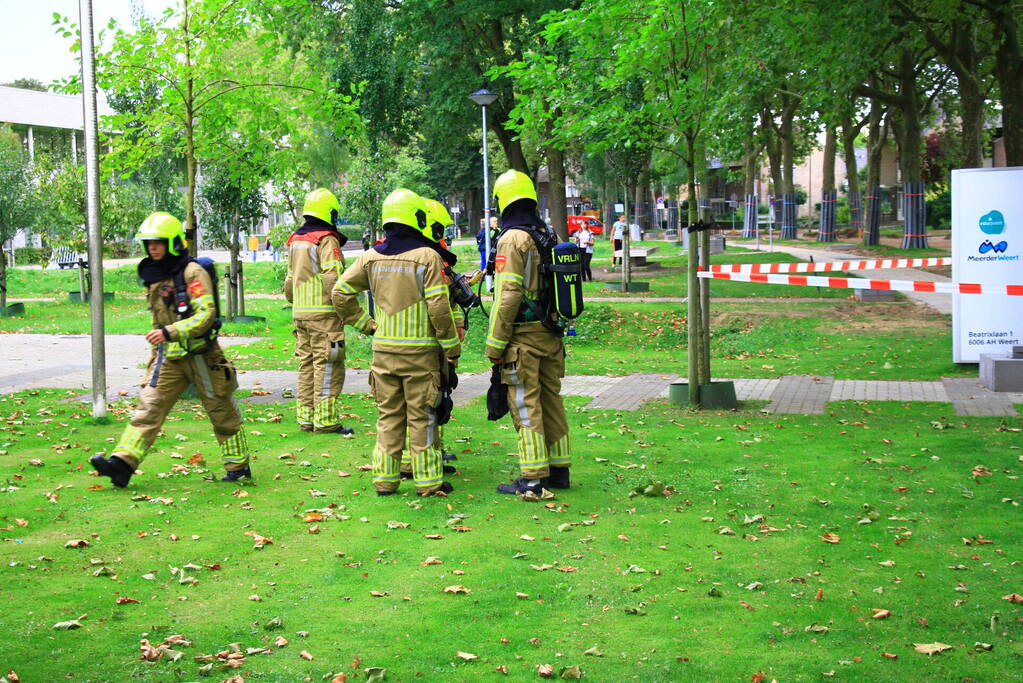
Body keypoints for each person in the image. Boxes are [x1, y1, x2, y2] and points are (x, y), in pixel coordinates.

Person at [90, 212, 250, 487]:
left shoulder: (192, 273)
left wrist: (169, 332)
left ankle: (238, 467)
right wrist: (160, 344)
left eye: (158, 242)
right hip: (170, 359)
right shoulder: (156, 276)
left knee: (220, 410)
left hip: (202, 356)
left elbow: (205, 315)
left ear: (173, 243)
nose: (152, 247)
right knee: (148, 407)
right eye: (149, 242)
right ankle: (122, 464)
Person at [332, 189, 461, 497]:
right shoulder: (428, 257)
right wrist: (450, 346)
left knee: (389, 417)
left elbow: (339, 293)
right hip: (420, 355)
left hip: (383, 354)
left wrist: (366, 324)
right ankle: (429, 482)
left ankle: (385, 482)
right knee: (422, 416)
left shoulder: (370, 257)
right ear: (417, 218)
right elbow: (439, 308)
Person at [485, 169, 572, 495]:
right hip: (550, 335)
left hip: (522, 338)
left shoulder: (512, 238)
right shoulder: (543, 232)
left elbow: (508, 296)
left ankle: (533, 478)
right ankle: (559, 471)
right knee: (551, 400)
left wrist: (495, 344)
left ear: (503, 200)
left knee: (525, 403)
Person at [397, 197, 466, 481]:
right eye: (439, 229)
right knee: (419, 404)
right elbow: (436, 304)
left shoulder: (431, 255)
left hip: (431, 339)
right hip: (424, 341)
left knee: (437, 396)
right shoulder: (424, 257)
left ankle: (433, 454)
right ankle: (411, 463)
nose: (444, 236)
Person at [284, 188, 353, 435]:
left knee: (307, 364)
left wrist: (297, 304)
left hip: (300, 314)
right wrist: (343, 307)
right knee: (328, 365)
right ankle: (326, 421)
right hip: (324, 315)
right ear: (330, 212)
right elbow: (332, 276)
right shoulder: (326, 239)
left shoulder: (296, 239)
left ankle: (306, 418)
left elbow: (289, 281)